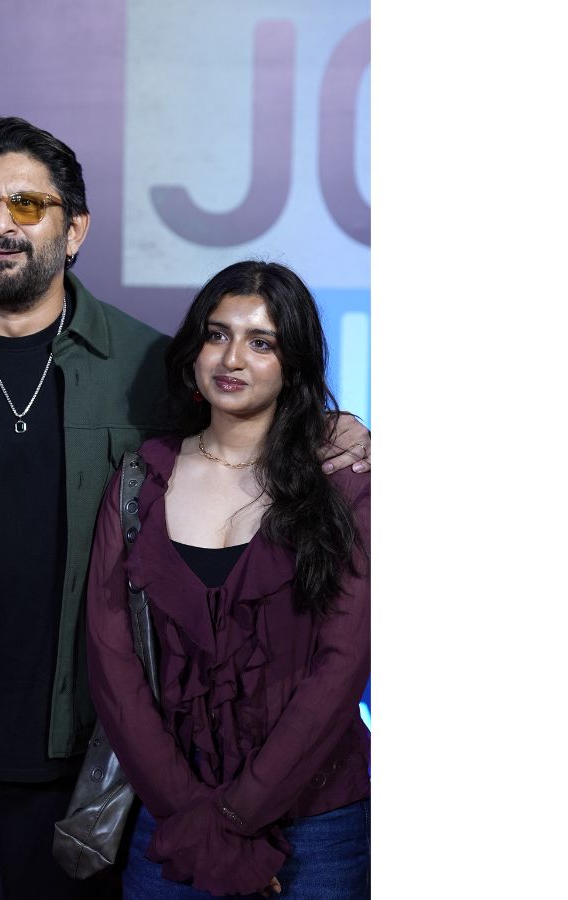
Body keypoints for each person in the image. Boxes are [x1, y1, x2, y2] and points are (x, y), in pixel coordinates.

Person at [0, 117, 372, 900]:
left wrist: (336, 427)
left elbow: (248, 423)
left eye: (27, 204)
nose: (0, 224)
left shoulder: (147, 367)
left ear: (75, 229)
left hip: (88, 767)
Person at [85, 261, 371, 898]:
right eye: (217, 335)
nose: (232, 358)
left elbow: (342, 667)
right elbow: (113, 666)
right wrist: (195, 820)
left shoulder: (344, 484)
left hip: (317, 829)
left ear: (294, 364)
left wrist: (236, 818)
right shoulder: (140, 480)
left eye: (261, 342)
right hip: (172, 823)